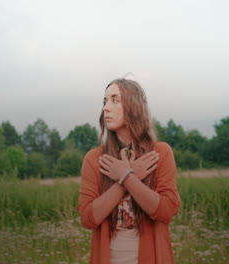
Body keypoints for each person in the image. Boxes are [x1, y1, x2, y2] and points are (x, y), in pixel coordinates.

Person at [76, 78, 181, 264]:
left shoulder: (160, 153)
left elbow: (166, 211)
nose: (106, 108)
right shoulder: (94, 159)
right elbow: (88, 218)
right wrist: (125, 179)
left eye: (115, 100)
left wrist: (127, 177)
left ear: (134, 106)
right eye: (104, 101)